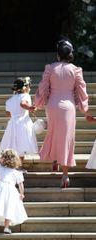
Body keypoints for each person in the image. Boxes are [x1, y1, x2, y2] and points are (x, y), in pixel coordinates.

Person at [35, 39, 90, 188]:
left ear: (58, 54)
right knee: (66, 138)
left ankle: (54, 161)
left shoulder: (50, 68)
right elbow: (81, 91)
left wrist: (39, 102)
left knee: (53, 133)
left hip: (52, 105)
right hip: (68, 107)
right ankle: (65, 175)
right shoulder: (75, 69)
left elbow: (43, 87)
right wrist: (84, 109)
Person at [0, 77, 38, 166]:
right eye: (29, 86)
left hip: (12, 123)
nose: (30, 88)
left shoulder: (10, 100)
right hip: (22, 123)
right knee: (22, 146)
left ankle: (13, 166)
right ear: (25, 88)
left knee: (13, 145)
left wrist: (15, 114)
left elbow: (8, 114)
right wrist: (30, 108)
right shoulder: (25, 95)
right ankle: (19, 166)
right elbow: (23, 103)